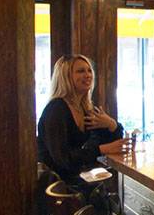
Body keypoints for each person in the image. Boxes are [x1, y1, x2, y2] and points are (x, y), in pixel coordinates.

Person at [37, 55, 124, 187]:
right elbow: (63, 159)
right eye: (80, 71)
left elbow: (114, 144)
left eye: (89, 71)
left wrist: (112, 124)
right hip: (57, 187)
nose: (88, 75)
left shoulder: (85, 108)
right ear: (65, 77)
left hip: (76, 180)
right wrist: (101, 149)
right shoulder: (56, 110)